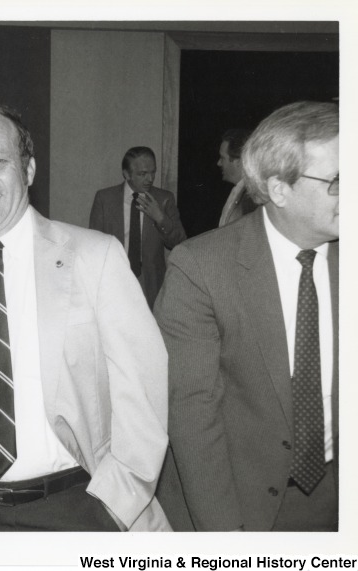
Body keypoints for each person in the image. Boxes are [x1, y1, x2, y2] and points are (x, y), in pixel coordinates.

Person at [0, 103, 170, 532]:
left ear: (30, 169)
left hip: (79, 509)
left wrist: (114, 505)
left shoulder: (95, 258)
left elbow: (144, 391)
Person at [154, 101, 339, 531]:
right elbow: (191, 415)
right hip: (237, 504)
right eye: (337, 181)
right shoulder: (200, 267)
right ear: (279, 189)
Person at [89, 147, 186, 309]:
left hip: (150, 283)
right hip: (114, 279)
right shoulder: (105, 199)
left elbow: (179, 242)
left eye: (152, 172)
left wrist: (160, 218)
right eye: (142, 174)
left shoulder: (164, 199)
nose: (150, 179)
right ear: (127, 174)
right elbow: (94, 244)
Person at [217, 128, 258, 227]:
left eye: (223, 158)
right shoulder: (241, 192)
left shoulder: (252, 199)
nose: (219, 163)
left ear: (239, 161)